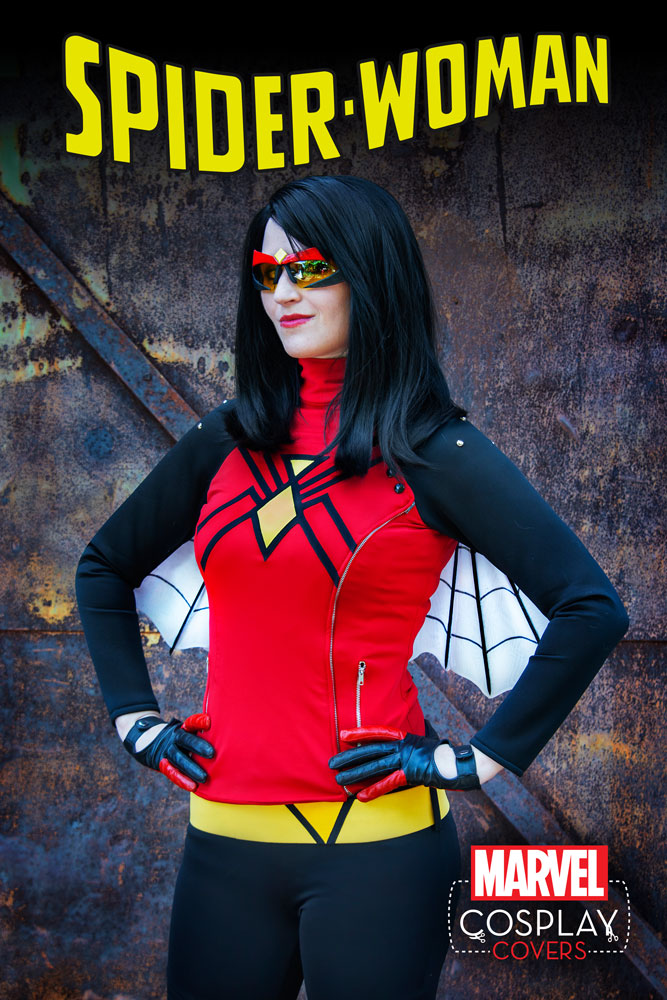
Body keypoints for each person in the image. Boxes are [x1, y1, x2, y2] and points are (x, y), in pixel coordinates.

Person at [75, 175, 628, 1000]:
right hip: (221, 845)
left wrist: (474, 759)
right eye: (267, 274)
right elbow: (103, 567)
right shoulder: (226, 438)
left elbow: (590, 609)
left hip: (377, 851)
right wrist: (134, 720)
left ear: (370, 273)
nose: (283, 294)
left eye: (309, 269)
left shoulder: (432, 450)